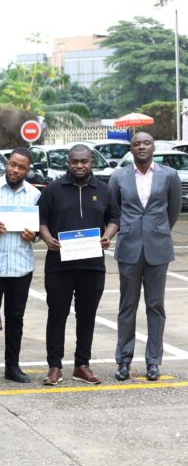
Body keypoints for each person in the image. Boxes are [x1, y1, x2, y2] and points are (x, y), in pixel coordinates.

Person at [38, 144, 119, 386]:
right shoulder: (53, 190)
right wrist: (47, 237)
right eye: (75, 161)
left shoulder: (103, 190)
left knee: (87, 316)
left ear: (91, 162)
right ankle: (54, 366)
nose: (80, 165)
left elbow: (115, 218)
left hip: (92, 265)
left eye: (84, 161)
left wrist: (108, 235)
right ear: (68, 162)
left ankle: (82, 365)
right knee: (57, 315)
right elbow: (40, 220)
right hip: (58, 265)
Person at [109, 132, 181, 382]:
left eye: (146, 143)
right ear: (131, 149)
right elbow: (114, 211)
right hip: (128, 248)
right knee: (127, 306)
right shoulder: (118, 176)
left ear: (153, 147)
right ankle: (124, 361)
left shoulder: (169, 175)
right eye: (137, 143)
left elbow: (173, 211)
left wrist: (156, 231)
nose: (141, 146)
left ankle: (153, 362)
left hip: (158, 247)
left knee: (155, 307)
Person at [0, 148, 41, 384]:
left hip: (20, 267)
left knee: (16, 319)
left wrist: (32, 235)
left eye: (21, 167)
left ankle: (12, 367)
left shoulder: (34, 194)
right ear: (7, 163)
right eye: (12, 164)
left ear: (28, 170)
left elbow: (38, 229)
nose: (15, 170)